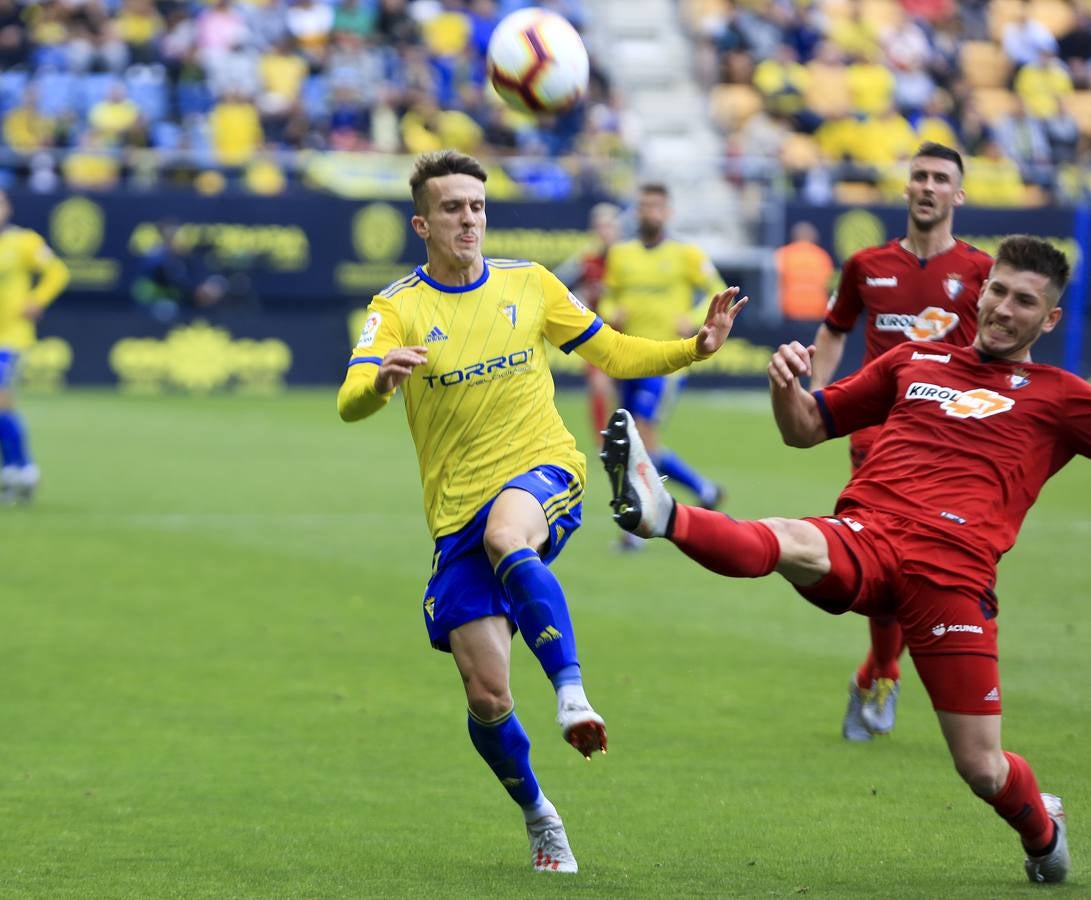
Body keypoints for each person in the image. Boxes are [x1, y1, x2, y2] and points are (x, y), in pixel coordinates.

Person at [602, 235, 1080, 886]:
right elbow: (802, 428)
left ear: (1048, 318)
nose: (1001, 308)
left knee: (981, 769)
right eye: (995, 290)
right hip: (869, 533)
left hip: (953, 577)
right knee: (788, 539)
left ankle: (1042, 830)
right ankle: (664, 515)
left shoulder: (1061, 396)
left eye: (1022, 301)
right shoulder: (915, 361)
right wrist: (784, 387)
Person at [336, 150, 747, 874]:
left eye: (477, 206)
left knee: (506, 531)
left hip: (543, 468)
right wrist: (380, 384)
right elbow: (350, 399)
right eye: (453, 208)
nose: (468, 219)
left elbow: (613, 353)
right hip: (453, 511)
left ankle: (571, 693)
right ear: (421, 222)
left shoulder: (529, 283)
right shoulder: (396, 307)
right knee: (487, 694)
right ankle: (538, 812)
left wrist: (694, 347)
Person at [809, 142, 993, 741]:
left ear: (957, 195)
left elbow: (1001, 348)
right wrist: (817, 395)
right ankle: (884, 669)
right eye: (919, 176)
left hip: (953, 441)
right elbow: (834, 330)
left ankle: (877, 672)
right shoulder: (865, 265)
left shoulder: (979, 271)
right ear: (907, 188)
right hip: (878, 433)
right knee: (883, 558)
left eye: (941, 178)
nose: (928, 186)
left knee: (937, 568)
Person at [599, 183, 729, 523]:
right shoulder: (620, 254)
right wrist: (612, 310)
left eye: (657, 206)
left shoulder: (686, 254)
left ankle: (642, 517)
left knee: (639, 437)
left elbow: (717, 289)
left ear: (668, 212)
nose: (650, 213)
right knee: (631, 439)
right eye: (644, 206)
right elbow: (608, 296)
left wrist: (697, 317)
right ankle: (702, 490)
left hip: (668, 360)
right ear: (637, 211)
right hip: (627, 356)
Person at [0, 190, 70, 504]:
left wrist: (36, 300)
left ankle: (24, 468)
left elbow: (57, 271)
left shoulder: (23, 242)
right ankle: (13, 470)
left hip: (10, 337)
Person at [553, 201, 621, 436]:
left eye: (609, 226)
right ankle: (603, 440)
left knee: (625, 391)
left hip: (628, 333)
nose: (605, 231)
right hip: (598, 334)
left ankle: (630, 437)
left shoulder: (626, 261)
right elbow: (572, 293)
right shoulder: (586, 262)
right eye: (600, 226)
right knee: (599, 386)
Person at [774, 221, 834, 320]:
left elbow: (774, 285)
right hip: (817, 310)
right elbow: (828, 286)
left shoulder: (782, 254)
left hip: (790, 310)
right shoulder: (822, 256)